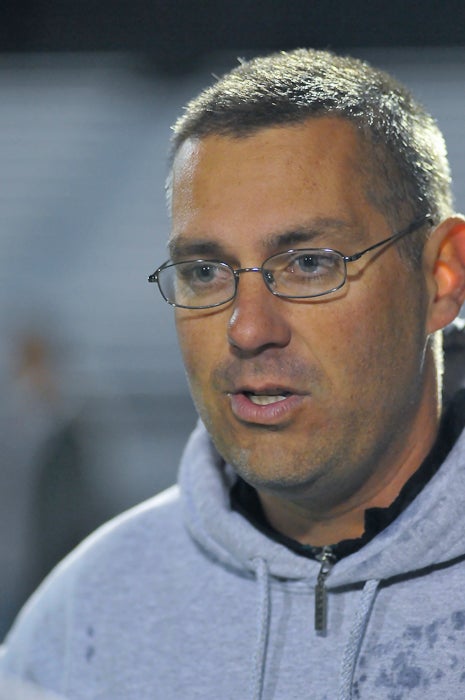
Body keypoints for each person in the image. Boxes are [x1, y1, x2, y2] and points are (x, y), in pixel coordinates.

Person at [1, 48, 465, 700]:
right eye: (204, 272)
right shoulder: (83, 620)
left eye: (309, 263)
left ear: (440, 277)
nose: (247, 329)